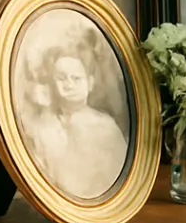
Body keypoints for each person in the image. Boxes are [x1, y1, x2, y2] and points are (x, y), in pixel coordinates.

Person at [20, 48, 128, 199]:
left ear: (89, 83)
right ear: (52, 84)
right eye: (61, 78)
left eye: (76, 78)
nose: (69, 85)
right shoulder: (41, 129)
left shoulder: (106, 128)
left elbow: (118, 181)